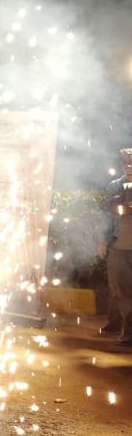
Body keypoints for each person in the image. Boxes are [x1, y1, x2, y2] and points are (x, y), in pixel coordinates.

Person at [99, 148, 132, 348]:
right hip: (119, 245)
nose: (128, 164)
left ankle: (128, 333)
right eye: (124, 161)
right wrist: (103, 240)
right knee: (117, 288)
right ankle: (116, 324)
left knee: (125, 292)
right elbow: (108, 214)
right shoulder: (115, 185)